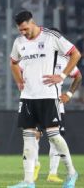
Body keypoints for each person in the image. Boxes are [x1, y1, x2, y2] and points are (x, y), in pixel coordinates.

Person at [9, 11, 80, 188]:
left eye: (25, 29)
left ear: (32, 22)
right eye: (20, 30)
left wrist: (62, 76)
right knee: (28, 138)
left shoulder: (51, 36)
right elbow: (13, 62)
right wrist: (18, 80)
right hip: (27, 97)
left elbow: (76, 54)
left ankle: (71, 172)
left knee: (54, 137)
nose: (23, 33)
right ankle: (28, 181)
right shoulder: (19, 42)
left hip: (48, 95)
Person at [31, 53, 82, 183]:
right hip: (36, 102)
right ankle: (35, 166)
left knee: (55, 138)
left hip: (56, 105)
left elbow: (78, 76)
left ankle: (52, 174)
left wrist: (69, 94)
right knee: (34, 135)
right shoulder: (35, 55)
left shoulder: (64, 60)